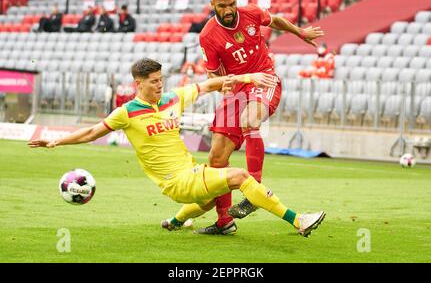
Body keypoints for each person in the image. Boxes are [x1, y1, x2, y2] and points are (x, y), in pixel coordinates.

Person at [28, 58, 326, 238]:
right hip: (175, 182)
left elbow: (209, 85)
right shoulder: (126, 112)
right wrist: (56, 140)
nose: (160, 85)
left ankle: (174, 221)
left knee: (211, 200)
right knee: (239, 178)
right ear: (139, 83)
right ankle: (299, 220)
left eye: (161, 80)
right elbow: (92, 131)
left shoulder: (172, 98)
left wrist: (246, 77)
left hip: (190, 173)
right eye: (154, 82)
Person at [178, 0, 324, 235]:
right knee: (216, 159)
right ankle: (224, 221)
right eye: (222, 5)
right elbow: (214, 74)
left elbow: (275, 20)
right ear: (212, 4)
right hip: (235, 90)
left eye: (232, 3)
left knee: (249, 120)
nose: (229, 9)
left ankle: (254, 189)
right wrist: (224, 86)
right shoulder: (207, 36)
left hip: (264, 79)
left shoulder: (251, 13)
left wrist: (299, 32)